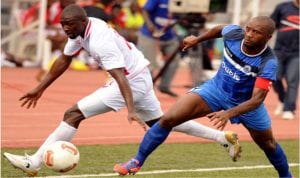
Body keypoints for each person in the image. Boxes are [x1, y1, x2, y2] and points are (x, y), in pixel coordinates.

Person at [3, 4, 241, 177]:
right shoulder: (81, 29)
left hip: (130, 81)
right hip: (139, 75)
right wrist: (39, 88)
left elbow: (119, 76)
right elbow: (65, 60)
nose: (64, 28)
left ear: (81, 22)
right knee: (162, 122)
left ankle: (34, 162)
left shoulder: (99, 40)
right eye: (62, 24)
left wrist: (129, 109)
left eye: (68, 24)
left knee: (72, 114)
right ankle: (221, 137)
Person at [114, 16, 293, 178]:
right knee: (168, 119)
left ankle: (286, 176)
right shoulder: (234, 33)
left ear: (268, 37)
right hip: (216, 90)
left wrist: (229, 113)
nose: (249, 34)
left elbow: (257, 100)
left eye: (256, 32)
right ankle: (136, 161)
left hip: (246, 103)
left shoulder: (268, 62)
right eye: (248, 29)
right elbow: (218, 29)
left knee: (268, 144)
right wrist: (197, 40)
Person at [138, 0, 180, 97]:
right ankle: (147, 90)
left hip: (169, 36)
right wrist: (149, 24)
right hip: (149, 34)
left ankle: (164, 86)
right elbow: (144, 10)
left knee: (175, 60)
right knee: (148, 63)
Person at [271, 0, 299, 120]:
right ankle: (283, 100)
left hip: (297, 53)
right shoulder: (282, 7)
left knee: (292, 81)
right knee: (274, 77)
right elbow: (271, 26)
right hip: (279, 51)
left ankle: (289, 109)